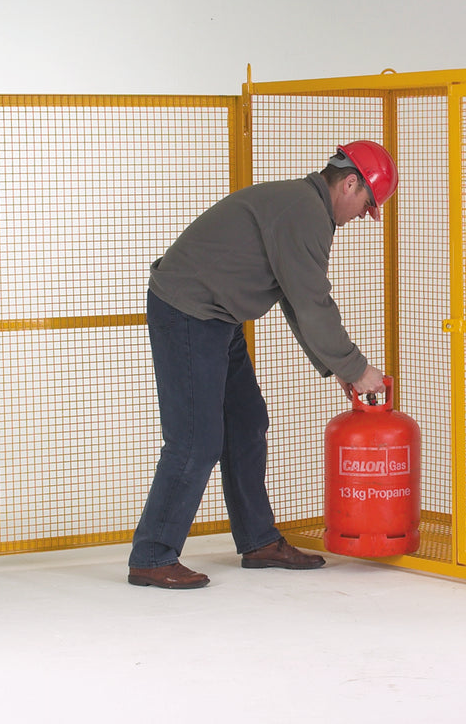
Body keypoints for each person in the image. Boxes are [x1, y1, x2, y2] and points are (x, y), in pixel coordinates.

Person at [127, 141, 398, 589]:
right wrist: (356, 368)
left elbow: (296, 298)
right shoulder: (305, 212)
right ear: (351, 184)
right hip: (190, 312)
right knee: (196, 440)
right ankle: (153, 555)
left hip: (219, 317)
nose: (360, 218)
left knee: (247, 422)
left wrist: (337, 368)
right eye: (367, 205)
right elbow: (312, 302)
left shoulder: (303, 205)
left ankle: (257, 541)